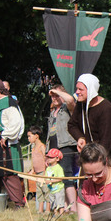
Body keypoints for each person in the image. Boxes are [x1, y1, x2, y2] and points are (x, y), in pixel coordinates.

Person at [0, 78, 25, 209]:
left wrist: (6, 136)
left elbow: (16, 122)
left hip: (3, 143)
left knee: (8, 173)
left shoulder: (8, 102)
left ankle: (18, 203)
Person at [67, 73, 111, 156]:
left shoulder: (107, 109)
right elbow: (72, 125)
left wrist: (95, 158)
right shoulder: (81, 105)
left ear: (91, 90)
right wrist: (80, 137)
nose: (77, 92)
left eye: (81, 89)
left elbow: (107, 141)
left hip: (102, 158)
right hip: (86, 156)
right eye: (77, 89)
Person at [47, 85, 78, 213]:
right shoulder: (52, 112)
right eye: (52, 96)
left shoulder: (67, 108)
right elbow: (50, 133)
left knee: (67, 176)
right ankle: (63, 207)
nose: (54, 98)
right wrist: (47, 153)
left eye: (57, 95)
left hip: (66, 145)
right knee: (57, 176)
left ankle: (73, 208)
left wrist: (56, 91)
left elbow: (70, 100)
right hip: (54, 147)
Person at [27, 126, 49, 214]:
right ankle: (40, 210)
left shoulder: (42, 147)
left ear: (36, 136)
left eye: (30, 136)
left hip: (43, 173)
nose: (28, 138)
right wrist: (32, 170)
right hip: (37, 174)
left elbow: (46, 160)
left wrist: (45, 172)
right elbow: (33, 161)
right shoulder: (33, 148)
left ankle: (47, 209)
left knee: (45, 191)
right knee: (39, 191)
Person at [45, 148, 66, 214]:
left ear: (57, 159)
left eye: (51, 157)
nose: (49, 159)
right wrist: (46, 181)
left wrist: (51, 181)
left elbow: (60, 178)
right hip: (51, 189)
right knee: (53, 203)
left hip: (58, 189)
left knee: (60, 202)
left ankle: (61, 214)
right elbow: (46, 177)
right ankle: (55, 214)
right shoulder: (48, 168)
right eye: (48, 157)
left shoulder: (58, 168)